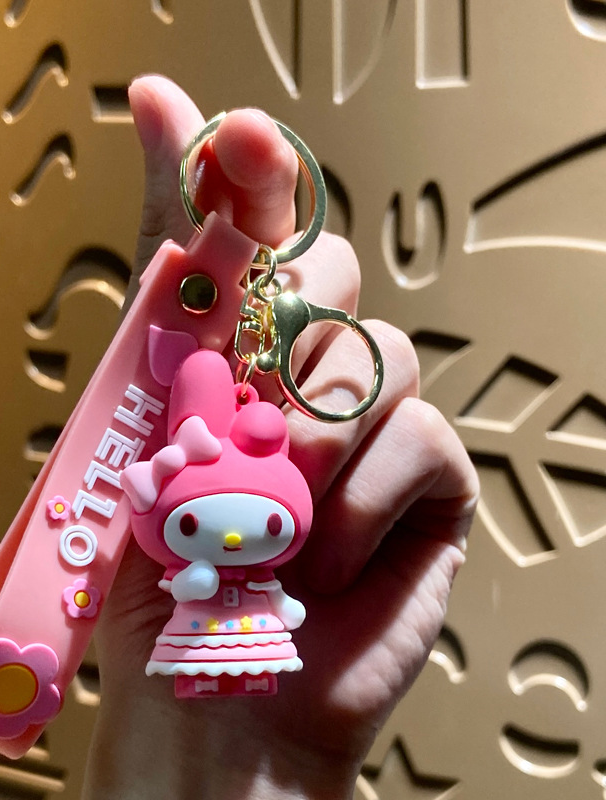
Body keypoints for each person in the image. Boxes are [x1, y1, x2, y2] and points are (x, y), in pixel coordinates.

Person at [84, 75, 479, 800]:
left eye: (267, 527)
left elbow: (265, 589)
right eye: (194, 526)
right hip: (195, 638)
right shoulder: (181, 513)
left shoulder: (249, 515)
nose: (236, 540)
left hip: (251, 640)